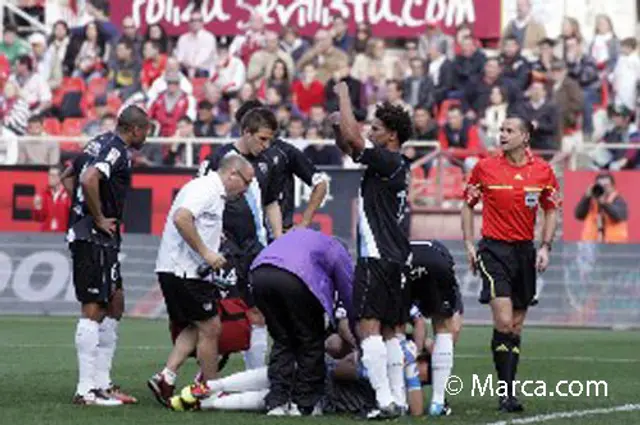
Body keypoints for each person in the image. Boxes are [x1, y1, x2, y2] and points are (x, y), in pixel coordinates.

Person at [461, 116, 561, 413]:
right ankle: (505, 394)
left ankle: (507, 393)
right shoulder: (485, 167)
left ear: (525, 136)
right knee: (504, 320)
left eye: (508, 130)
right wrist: (468, 243)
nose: (501, 134)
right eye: (500, 129)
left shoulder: (543, 171)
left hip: (524, 253)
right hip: (493, 250)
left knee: (515, 326)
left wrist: (545, 246)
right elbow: (467, 204)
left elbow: (551, 209)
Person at [331, 81, 413, 417]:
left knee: (368, 326)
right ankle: (398, 398)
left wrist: (345, 95)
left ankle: (382, 401)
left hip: (377, 256)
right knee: (392, 330)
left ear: (391, 135)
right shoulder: (393, 164)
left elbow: (354, 139)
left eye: (376, 128)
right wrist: (338, 125)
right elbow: (348, 143)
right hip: (396, 257)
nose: (370, 131)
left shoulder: (388, 160)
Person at [148, 155, 255, 407]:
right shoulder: (205, 188)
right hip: (184, 271)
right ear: (232, 174)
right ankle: (210, 389)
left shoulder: (210, 191)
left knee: (196, 325)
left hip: (182, 269)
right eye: (247, 182)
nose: (247, 188)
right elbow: (182, 218)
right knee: (211, 328)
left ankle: (166, 376)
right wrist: (206, 252)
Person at [66, 105, 150, 406]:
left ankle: (102, 384)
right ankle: (85, 390)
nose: (147, 136)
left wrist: (78, 213)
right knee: (94, 307)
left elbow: (68, 175)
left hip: (98, 237)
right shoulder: (116, 150)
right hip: (95, 237)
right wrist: (97, 218)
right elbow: (88, 178)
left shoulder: (96, 142)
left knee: (115, 301)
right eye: (147, 130)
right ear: (136, 129)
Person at [169, 325, 430, 418]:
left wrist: (409, 371)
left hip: (329, 397)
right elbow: (341, 370)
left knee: (274, 394)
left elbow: (417, 412)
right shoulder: (388, 355)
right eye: (423, 368)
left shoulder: (403, 382)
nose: (422, 375)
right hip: (325, 382)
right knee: (279, 382)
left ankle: (210, 400)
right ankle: (211, 393)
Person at [198, 107, 282, 371]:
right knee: (222, 315)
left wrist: (278, 239)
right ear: (246, 133)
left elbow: (271, 203)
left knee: (258, 314)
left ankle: (255, 378)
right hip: (227, 252)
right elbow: (198, 197)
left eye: (269, 140)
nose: (266, 146)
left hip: (257, 249)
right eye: (262, 139)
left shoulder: (267, 163)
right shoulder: (219, 159)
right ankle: (205, 378)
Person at [250, 228, 354, 416]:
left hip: (259, 274)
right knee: (310, 340)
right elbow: (348, 294)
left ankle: (277, 402)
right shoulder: (337, 250)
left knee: (283, 340)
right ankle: (306, 403)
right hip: (297, 277)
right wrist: (357, 331)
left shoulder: (307, 238)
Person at [235, 100, 329, 233]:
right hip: (244, 235)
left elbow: (320, 183)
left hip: (278, 232)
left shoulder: (284, 152)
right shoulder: (231, 156)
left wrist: (304, 222)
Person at [405, 240, 464, 416]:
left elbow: (417, 321)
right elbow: (453, 327)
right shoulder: (442, 263)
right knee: (445, 330)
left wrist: (417, 349)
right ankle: (438, 401)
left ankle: (397, 398)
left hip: (401, 260)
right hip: (436, 260)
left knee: (394, 331)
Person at [574, 172, 628, 243]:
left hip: (614, 245)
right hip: (592, 245)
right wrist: (586, 197)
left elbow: (618, 216)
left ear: (613, 186)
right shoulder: (591, 200)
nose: (603, 188)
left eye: (606, 185)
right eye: (600, 185)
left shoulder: (618, 200)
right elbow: (579, 215)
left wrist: (603, 203)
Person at [33, 165, 71, 232]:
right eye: (49, 175)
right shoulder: (44, 193)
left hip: (63, 234)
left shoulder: (68, 195)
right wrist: (38, 208)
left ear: (61, 177)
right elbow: (39, 219)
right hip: (46, 234)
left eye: (53, 176)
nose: (50, 178)